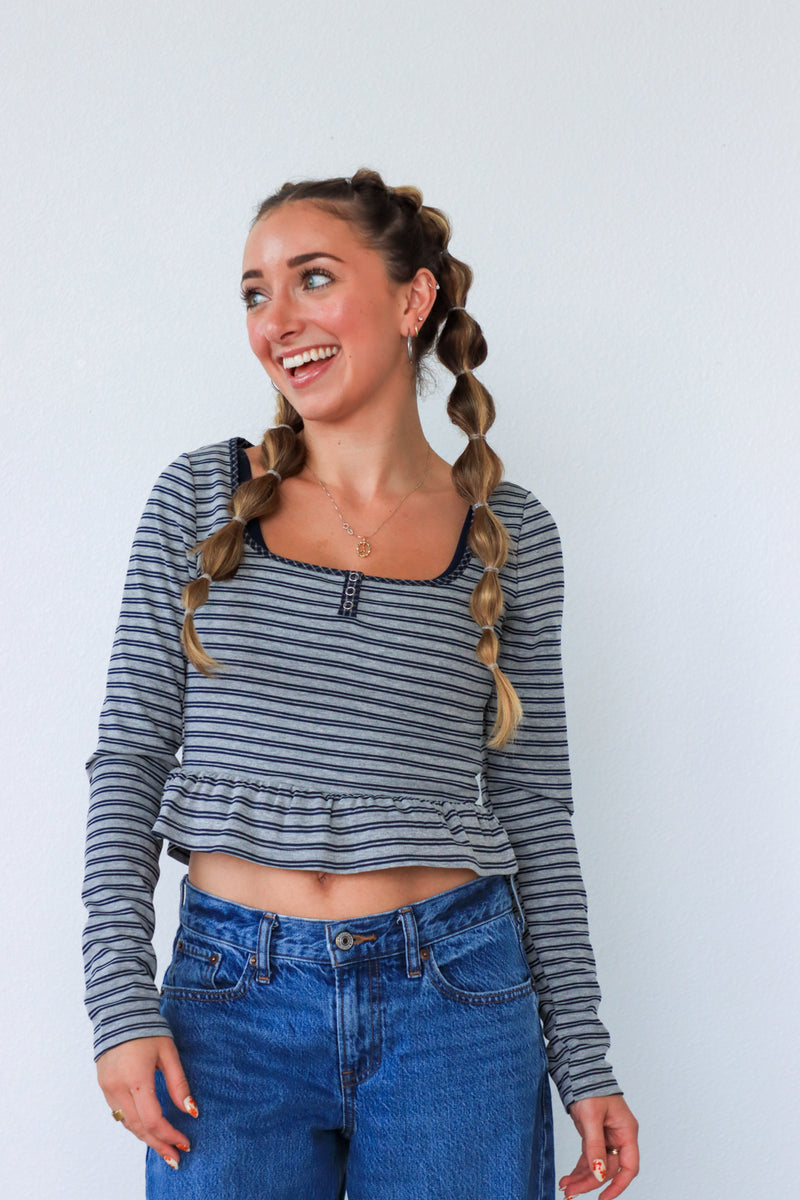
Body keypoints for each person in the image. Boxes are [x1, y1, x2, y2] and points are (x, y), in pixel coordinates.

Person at [82, 168, 639, 1200]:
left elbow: (533, 812)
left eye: (312, 279)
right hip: (226, 1008)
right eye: (254, 292)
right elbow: (128, 757)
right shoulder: (201, 501)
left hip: (457, 1006)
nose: (275, 320)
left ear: (411, 299)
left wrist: (585, 1059)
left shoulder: (507, 538)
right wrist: (120, 1004)